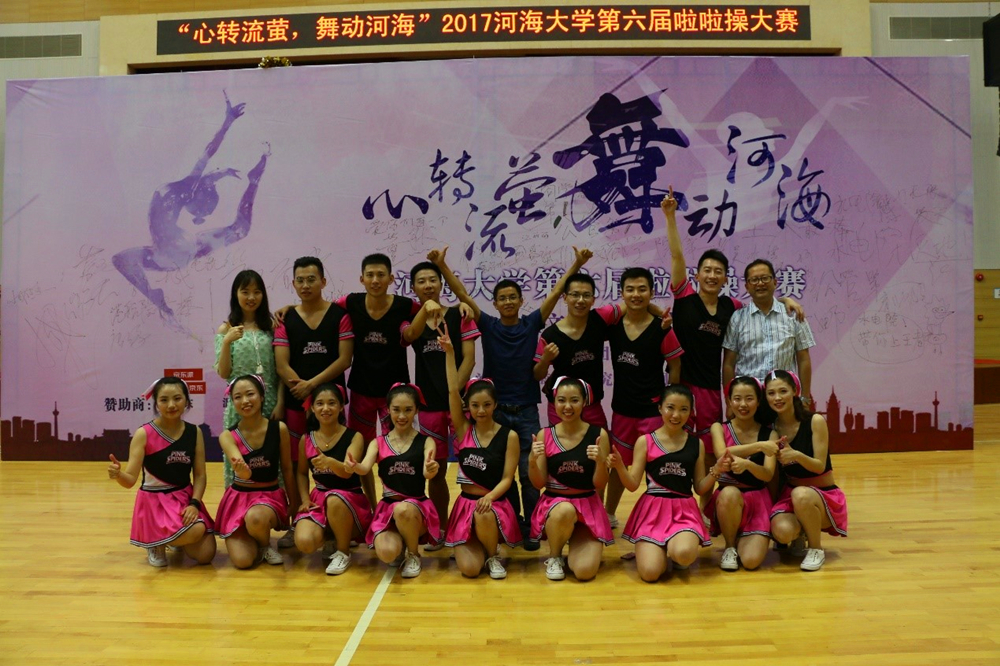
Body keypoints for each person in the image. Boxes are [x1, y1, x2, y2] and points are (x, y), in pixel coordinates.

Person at [429, 245, 593, 549]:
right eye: (502, 298)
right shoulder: (488, 325)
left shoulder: (531, 324)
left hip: (527, 410)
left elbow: (557, 292)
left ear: (521, 301)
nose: (507, 302)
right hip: (496, 413)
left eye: (512, 297)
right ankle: (511, 522)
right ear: (495, 303)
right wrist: (442, 265)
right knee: (499, 473)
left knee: (529, 473)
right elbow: (462, 293)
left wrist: (576, 263)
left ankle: (531, 526)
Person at [112, 92, 269, 336]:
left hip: (172, 251)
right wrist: (227, 123)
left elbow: (208, 159)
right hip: (175, 250)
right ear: (200, 197)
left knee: (121, 259)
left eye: (201, 215)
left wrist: (226, 132)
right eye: (200, 213)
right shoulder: (189, 186)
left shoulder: (190, 186)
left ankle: (254, 181)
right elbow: (209, 152)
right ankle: (254, 181)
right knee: (240, 230)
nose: (198, 218)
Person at [334, 253, 441, 508]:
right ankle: (372, 507)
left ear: (391, 278)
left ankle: (399, 502)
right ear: (361, 279)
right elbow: (320, 308)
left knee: (398, 452)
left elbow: (422, 321)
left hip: (395, 396)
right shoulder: (350, 302)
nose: (375, 280)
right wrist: (288, 310)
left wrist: (462, 307)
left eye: (381, 275)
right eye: (370, 275)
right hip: (361, 390)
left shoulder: (406, 306)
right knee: (360, 453)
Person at [274, 256, 354, 544]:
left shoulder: (340, 315)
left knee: (336, 461)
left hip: (330, 403)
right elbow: (281, 364)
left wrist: (313, 388)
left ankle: (338, 524)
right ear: (293, 283)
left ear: (323, 281)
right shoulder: (285, 319)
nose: (306, 285)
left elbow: (344, 360)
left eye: (311, 279)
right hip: (296, 402)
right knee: (298, 464)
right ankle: (299, 518)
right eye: (300, 280)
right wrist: (302, 388)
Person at [614, 385, 720, 582]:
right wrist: (620, 466)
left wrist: (716, 471)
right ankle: (657, 552)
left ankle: (674, 549)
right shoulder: (645, 441)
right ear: (660, 408)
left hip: (684, 512)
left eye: (683, 409)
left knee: (684, 554)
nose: (676, 415)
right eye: (670, 407)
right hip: (652, 512)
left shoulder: (696, 444)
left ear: (691, 412)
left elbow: (699, 487)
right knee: (650, 573)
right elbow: (632, 485)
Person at [107, 377, 216, 567]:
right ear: (156, 403)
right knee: (197, 530)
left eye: (177, 398)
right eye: (164, 400)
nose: (171, 405)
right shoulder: (144, 433)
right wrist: (118, 475)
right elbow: (130, 479)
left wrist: (194, 503)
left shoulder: (194, 432)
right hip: (154, 503)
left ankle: (171, 538)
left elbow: (200, 475)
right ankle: (156, 542)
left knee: (206, 555)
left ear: (187, 400)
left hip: (183, 500)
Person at [439, 325, 521, 579]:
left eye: (487, 404)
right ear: (468, 407)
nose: (481, 410)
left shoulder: (509, 436)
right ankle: (479, 548)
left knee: (483, 513)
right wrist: (450, 353)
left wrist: (490, 497)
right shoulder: (464, 430)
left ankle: (493, 553)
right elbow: (453, 390)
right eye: (475, 405)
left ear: (495, 405)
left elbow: (508, 478)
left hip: (493, 504)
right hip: (465, 505)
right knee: (470, 570)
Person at [408, 260, 480, 546]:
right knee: (435, 471)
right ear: (413, 288)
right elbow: (409, 336)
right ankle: (440, 528)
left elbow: (469, 359)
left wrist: (455, 394)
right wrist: (424, 310)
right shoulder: (412, 320)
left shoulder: (460, 315)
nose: (428, 285)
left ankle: (469, 526)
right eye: (421, 281)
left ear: (441, 284)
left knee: (472, 466)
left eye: (432, 280)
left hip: (460, 405)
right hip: (428, 408)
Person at [605, 267, 684, 527]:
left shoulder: (662, 327)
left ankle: (661, 516)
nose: (636, 294)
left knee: (658, 465)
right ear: (622, 293)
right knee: (618, 464)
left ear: (651, 292)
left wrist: (670, 403)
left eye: (642, 289)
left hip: (652, 411)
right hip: (622, 410)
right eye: (630, 289)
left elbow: (675, 366)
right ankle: (609, 514)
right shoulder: (614, 325)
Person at [345, 383, 440, 579]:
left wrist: (431, 469)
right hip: (388, 509)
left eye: (408, 410)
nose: (402, 416)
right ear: (388, 409)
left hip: (416, 509)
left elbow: (426, 472)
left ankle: (413, 554)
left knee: (403, 510)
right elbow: (364, 468)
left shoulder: (426, 441)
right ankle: (401, 543)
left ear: (416, 410)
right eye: (396, 410)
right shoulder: (378, 442)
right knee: (387, 553)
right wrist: (353, 466)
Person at [528, 377, 613, 581]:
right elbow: (538, 483)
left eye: (574, 400)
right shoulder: (544, 435)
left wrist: (601, 462)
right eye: (561, 400)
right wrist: (532, 461)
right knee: (565, 510)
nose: (567, 406)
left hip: (588, 506)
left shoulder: (598, 434)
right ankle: (555, 555)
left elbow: (600, 484)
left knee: (585, 572)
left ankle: (574, 538)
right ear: (554, 402)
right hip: (556, 506)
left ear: (584, 402)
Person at [766, 370, 847, 572]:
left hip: (823, 495)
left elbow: (819, 466)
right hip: (791, 495)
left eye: (783, 391)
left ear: (795, 391)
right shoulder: (772, 428)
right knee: (782, 532)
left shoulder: (815, 421)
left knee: (801, 495)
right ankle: (799, 533)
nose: (777, 398)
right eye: (771, 393)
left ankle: (816, 548)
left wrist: (796, 455)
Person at [215, 375, 298, 569]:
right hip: (238, 500)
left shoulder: (279, 429)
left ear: (261, 397)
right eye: (238, 397)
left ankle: (264, 545)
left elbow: (287, 469)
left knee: (256, 518)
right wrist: (242, 470)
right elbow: (243, 472)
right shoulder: (227, 436)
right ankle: (256, 539)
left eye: (250, 394)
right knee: (243, 561)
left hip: (269, 497)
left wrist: (294, 503)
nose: (245, 401)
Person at [292, 383, 371, 575]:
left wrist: (330, 462)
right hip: (319, 498)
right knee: (304, 542)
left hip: (349, 500)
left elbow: (347, 472)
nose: (325, 408)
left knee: (335, 498)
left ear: (341, 406)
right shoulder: (306, 439)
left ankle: (343, 552)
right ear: (312, 408)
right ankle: (331, 538)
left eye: (331, 403)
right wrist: (305, 499)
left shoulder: (354, 437)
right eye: (320, 403)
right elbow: (301, 473)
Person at [215, 269, 283, 488]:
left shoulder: (272, 327)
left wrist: (280, 403)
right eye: (245, 292)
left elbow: (281, 370)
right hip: (240, 403)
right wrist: (227, 341)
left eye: (257, 292)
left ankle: (276, 502)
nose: (251, 297)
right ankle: (236, 503)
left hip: (270, 401)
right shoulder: (226, 328)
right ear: (236, 294)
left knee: (273, 456)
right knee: (238, 458)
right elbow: (223, 372)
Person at [706, 376, 779, 571]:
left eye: (749, 398)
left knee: (751, 561)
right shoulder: (719, 428)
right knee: (729, 493)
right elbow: (722, 453)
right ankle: (730, 545)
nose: (743, 404)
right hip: (728, 499)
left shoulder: (770, 434)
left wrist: (748, 465)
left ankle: (743, 536)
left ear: (759, 401)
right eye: (737, 399)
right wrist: (759, 446)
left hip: (758, 500)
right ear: (729, 401)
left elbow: (767, 475)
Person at [723, 259, 817, 407]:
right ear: (747, 286)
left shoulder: (793, 314)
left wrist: (805, 397)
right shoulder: (737, 318)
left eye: (765, 278)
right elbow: (729, 364)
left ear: (775, 282)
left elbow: (803, 359)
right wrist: (729, 403)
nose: (760, 283)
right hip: (748, 401)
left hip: (783, 398)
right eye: (754, 280)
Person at [532, 272, 620, 430]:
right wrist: (545, 359)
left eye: (586, 295)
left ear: (593, 300)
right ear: (565, 298)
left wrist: (657, 312)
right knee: (561, 446)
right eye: (575, 295)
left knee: (601, 443)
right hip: (561, 408)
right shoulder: (550, 335)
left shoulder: (600, 318)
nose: (580, 300)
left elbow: (632, 305)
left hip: (592, 406)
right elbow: (537, 375)